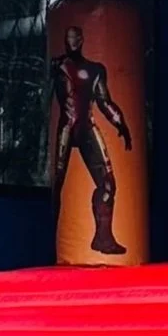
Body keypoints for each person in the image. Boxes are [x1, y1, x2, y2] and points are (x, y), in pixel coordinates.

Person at [51, 16, 134, 257]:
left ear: (82, 41)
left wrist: (122, 125)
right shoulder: (59, 66)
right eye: (68, 39)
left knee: (108, 183)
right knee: (56, 183)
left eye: (75, 39)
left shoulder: (94, 69)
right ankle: (53, 242)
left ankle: (103, 238)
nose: (72, 43)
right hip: (67, 125)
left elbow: (104, 102)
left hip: (86, 126)